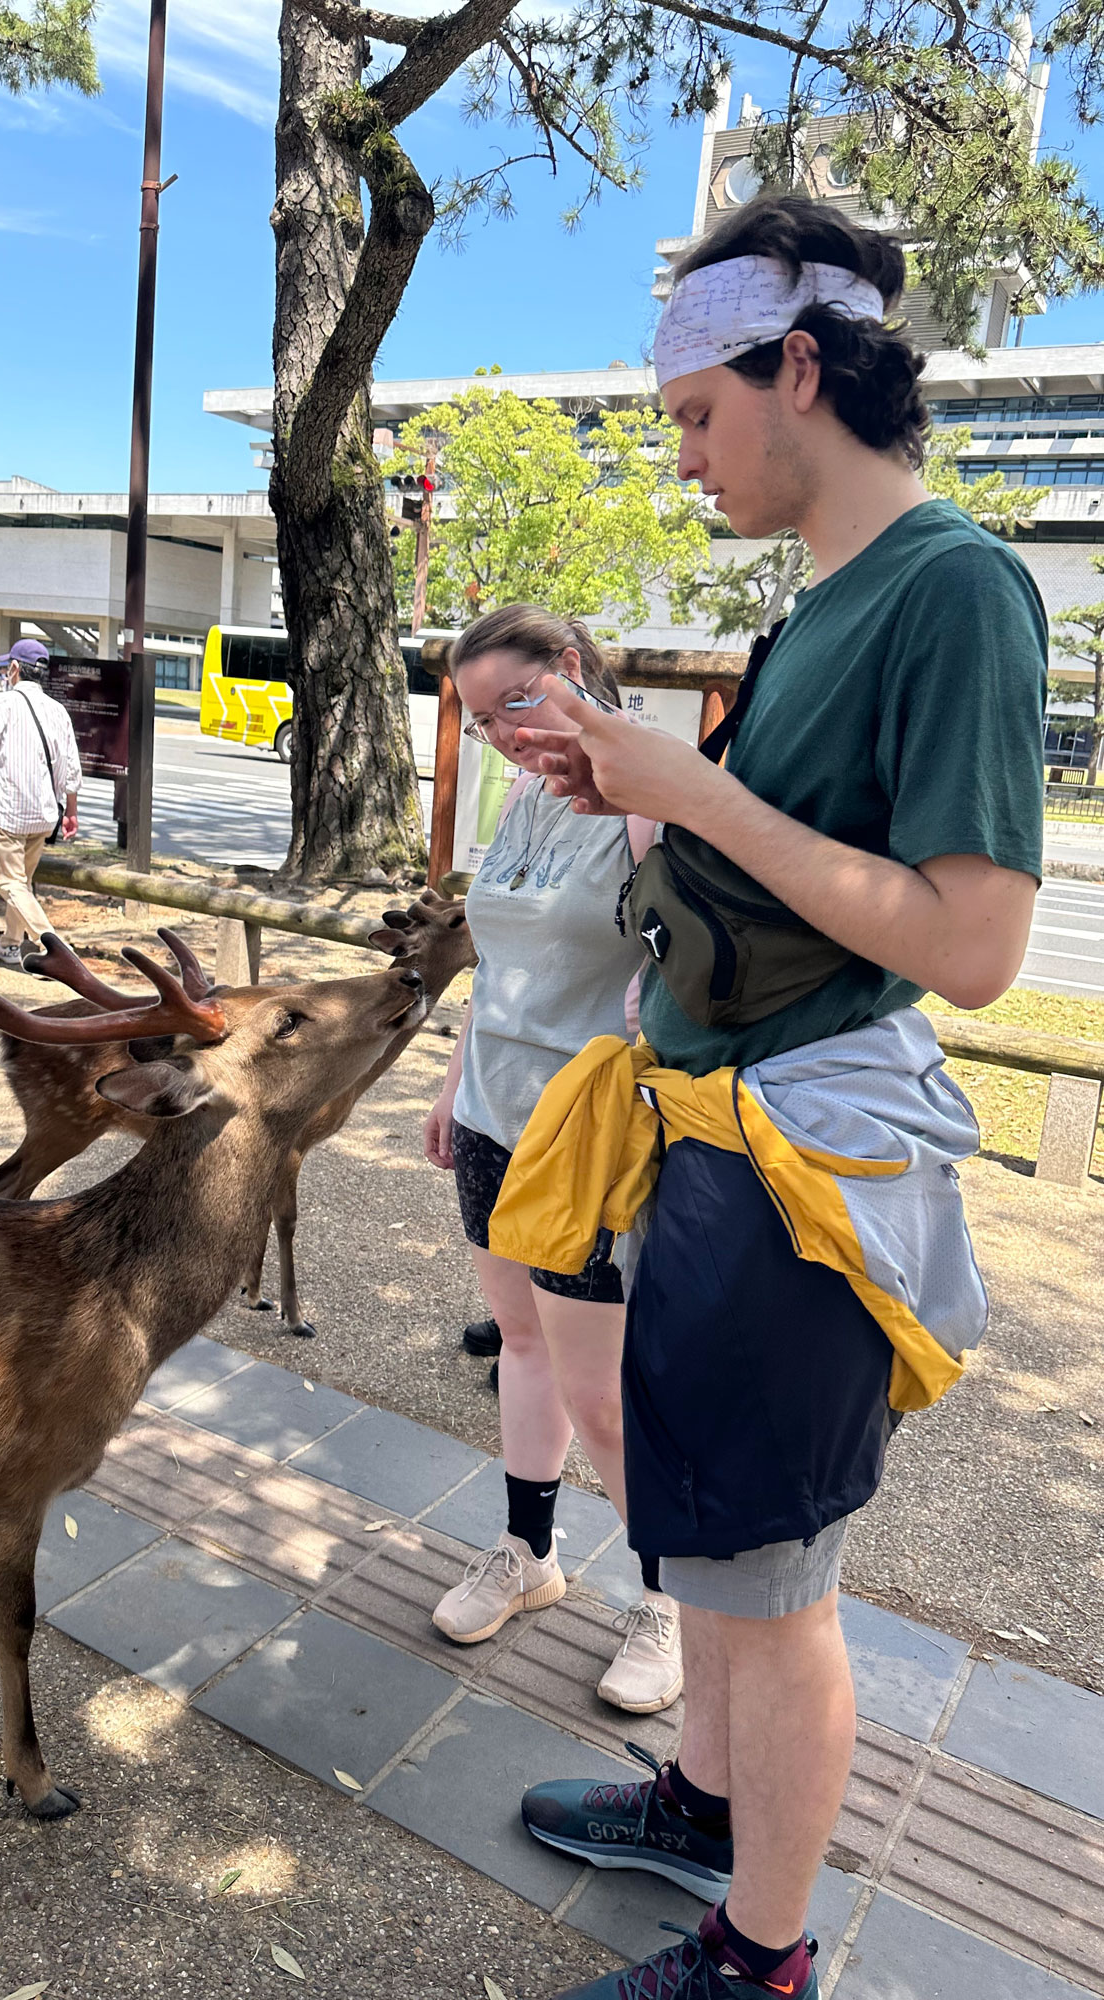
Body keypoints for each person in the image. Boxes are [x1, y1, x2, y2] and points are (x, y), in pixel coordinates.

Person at [513, 197, 1045, 2000]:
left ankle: (759, 1957)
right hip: (724, 1139)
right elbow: (801, 880)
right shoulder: (823, 599)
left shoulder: (954, 584)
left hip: (809, 1151)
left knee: (776, 1573)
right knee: (715, 1538)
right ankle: (701, 1804)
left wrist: (705, 796)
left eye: (686, 413)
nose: (678, 457)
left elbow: (969, 944)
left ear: (794, 368)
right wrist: (634, 793)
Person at [423, 605, 684, 1715]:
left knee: (606, 1391)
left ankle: (670, 1602)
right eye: (478, 720)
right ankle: (528, 1552)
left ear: (570, 670)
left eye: (512, 705)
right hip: (491, 1111)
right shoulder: (523, 793)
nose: (499, 736)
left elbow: (688, 978)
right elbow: (503, 962)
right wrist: (450, 1077)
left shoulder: (645, 798)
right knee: (520, 1344)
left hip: (588, 1138)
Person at [0, 637, 81, 969]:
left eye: (7, 668)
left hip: (9, 811)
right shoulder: (58, 711)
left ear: (14, 668)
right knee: (21, 883)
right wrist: (71, 812)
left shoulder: (0, 704)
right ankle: (11, 943)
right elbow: (70, 768)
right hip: (43, 814)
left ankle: (52, 945)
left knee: (11, 883)